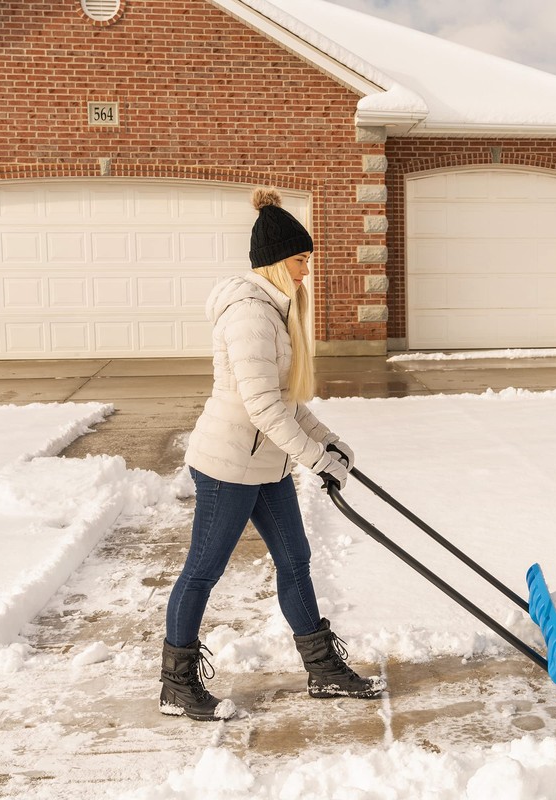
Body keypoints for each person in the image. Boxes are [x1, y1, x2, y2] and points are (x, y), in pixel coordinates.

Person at [159, 187, 385, 721]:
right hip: (228, 464)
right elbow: (262, 407)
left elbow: (287, 400)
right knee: (203, 570)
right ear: (276, 262)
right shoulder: (249, 315)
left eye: (307, 260)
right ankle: (176, 685)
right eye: (301, 260)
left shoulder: (275, 310)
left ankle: (324, 672)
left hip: (264, 462)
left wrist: (330, 443)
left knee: (295, 559)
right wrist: (314, 458)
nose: (307, 271)